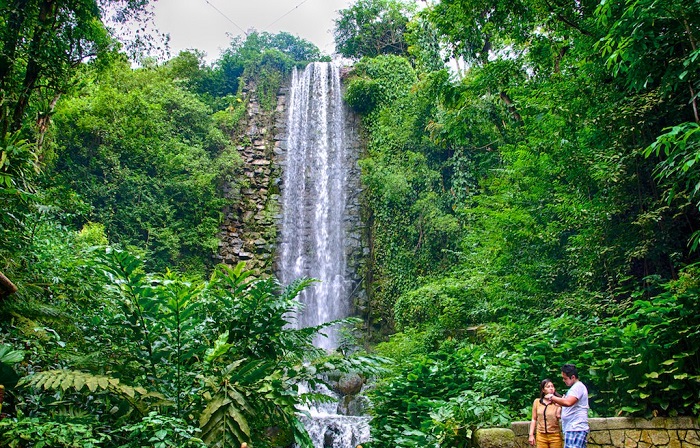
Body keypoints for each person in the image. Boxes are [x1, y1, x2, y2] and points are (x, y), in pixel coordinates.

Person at [545, 364, 589, 448]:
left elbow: (568, 402)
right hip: (572, 428)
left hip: (576, 428)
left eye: (565, 378)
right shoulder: (575, 388)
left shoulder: (578, 387)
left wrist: (552, 397)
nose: (563, 380)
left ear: (572, 377)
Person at [528, 379, 563, 448]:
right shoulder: (537, 402)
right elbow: (534, 419)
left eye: (552, 386)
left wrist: (559, 406)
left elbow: (558, 416)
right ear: (543, 390)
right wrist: (531, 435)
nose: (551, 388)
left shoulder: (558, 402)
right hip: (541, 435)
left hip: (554, 434)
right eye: (548, 387)